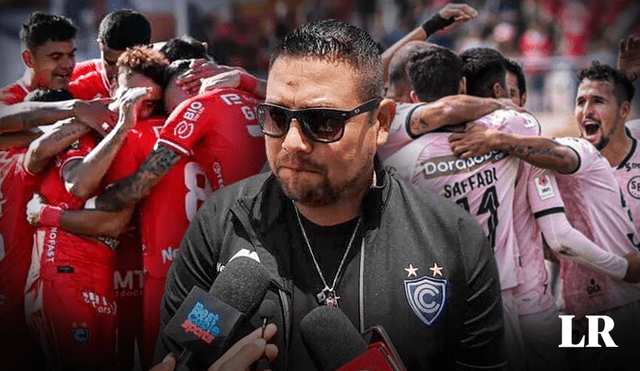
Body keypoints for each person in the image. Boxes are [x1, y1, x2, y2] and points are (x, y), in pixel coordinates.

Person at [155, 19, 505, 370]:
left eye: (323, 122)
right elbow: (173, 358)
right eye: (276, 117)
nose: (292, 142)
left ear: (380, 123)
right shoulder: (219, 225)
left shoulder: (452, 239)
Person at [449, 87, 640, 371]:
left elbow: (558, 240)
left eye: (598, 101)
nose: (587, 110)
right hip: (565, 302)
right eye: (580, 102)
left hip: (555, 303)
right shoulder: (542, 160)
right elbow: (558, 241)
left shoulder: (559, 157)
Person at [24, 85, 150, 371]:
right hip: (65, 275)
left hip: (97, 278)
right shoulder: (71, 144)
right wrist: (117, 125)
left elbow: (115, 224)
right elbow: (78, 185)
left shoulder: (97, 144)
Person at [69, 9, 151, 100]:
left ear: (148, 51)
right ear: (100, 46)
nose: (117, 73)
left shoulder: (164, 84)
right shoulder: (72, 79)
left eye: (127, 64)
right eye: (110, 63)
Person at [0, 12, 77, 105]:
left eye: (71, 55)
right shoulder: (6, 103)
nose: (67, 64)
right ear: (28, 59)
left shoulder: (82, 88)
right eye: (56, 57)